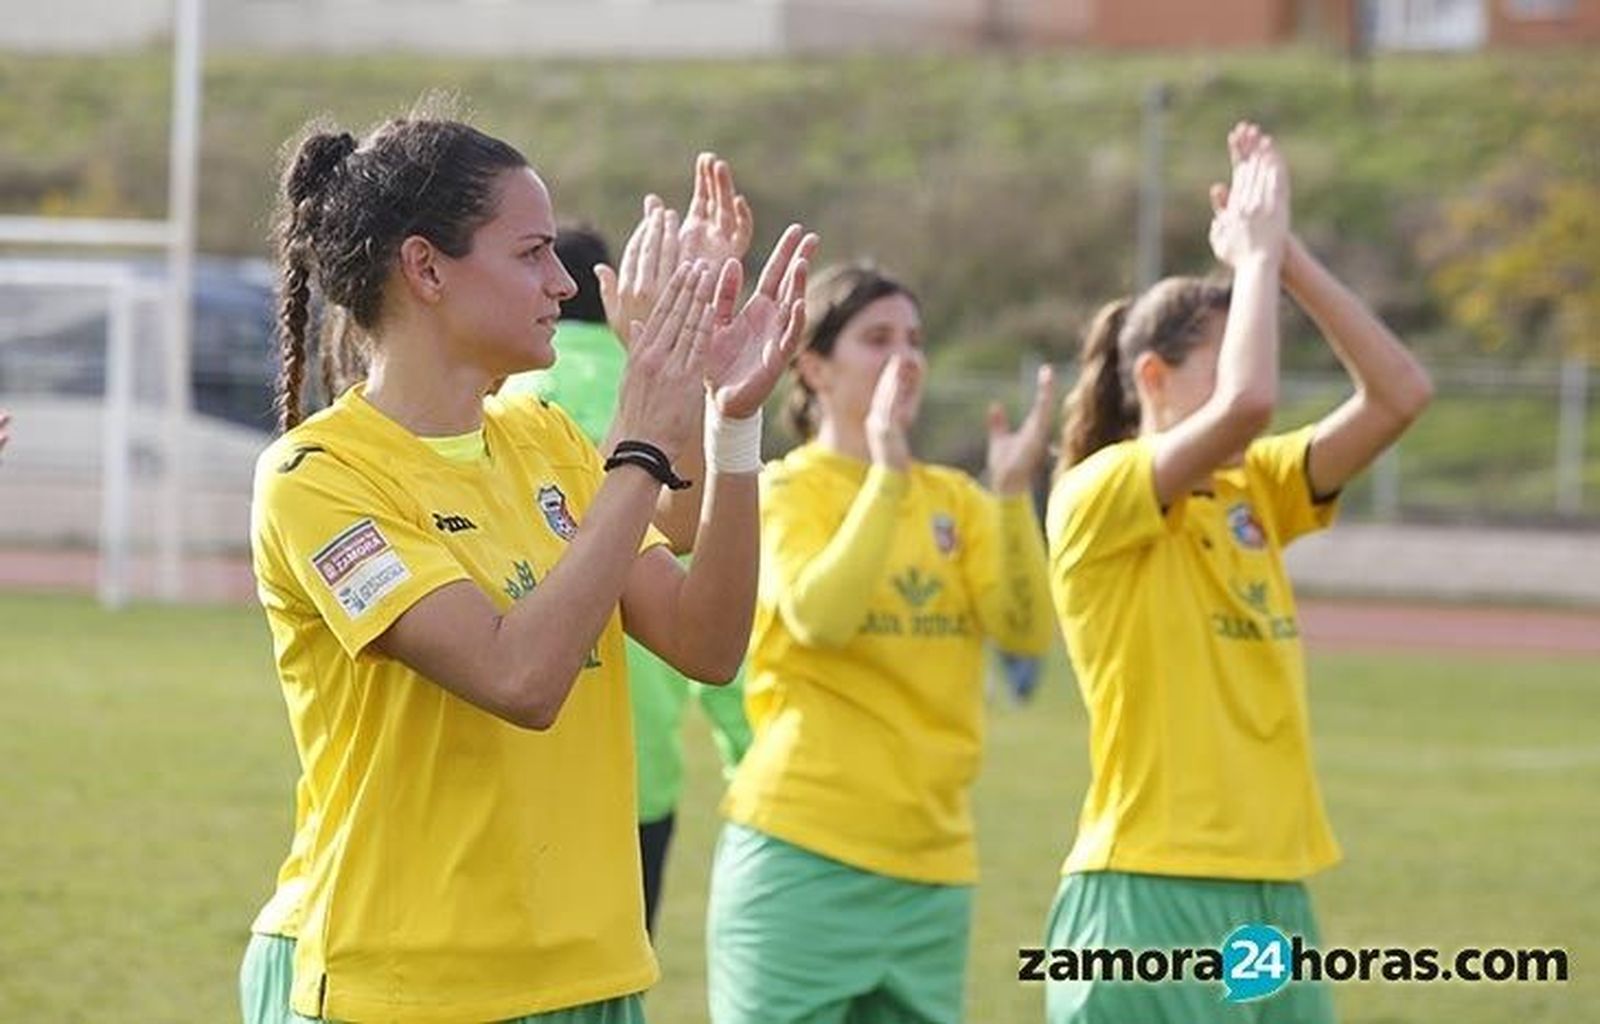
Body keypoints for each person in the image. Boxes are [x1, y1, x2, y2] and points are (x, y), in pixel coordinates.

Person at [240, 108, 814, 1024]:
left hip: (591, 976)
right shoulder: (319, 477)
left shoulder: (546, 439)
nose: (562, 282)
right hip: (415, 989)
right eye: (531, 252)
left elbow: (708, 644)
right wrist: (637, 446)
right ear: (425, 268)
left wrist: (728, 421)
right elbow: (519, 676)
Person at [1042, 123, 1433, 1023]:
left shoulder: (1255, 485)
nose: (1257, 369)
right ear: (1154, 376)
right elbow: (1248, 401)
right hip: (1150, 895)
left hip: (1272, 895)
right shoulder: (1096, 493)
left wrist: (1286, 257)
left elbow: (1400, 393)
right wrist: (1253, 258)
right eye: (1225, 348)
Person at [706, 262, 1058, 1024]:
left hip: (933, 869)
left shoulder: (957, 501)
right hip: (804, 854)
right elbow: (819, 617)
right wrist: (887, 475)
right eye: (877, 339)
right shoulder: (785, 491)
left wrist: (1010, 495)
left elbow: (1025, 631)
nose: (906, 358)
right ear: (813, 367)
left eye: (915, 340)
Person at [501, 154, 764, 938]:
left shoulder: (521, 399)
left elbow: (666, 542)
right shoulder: (628, 379)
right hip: (639, 761)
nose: (548, 281)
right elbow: (681, 533)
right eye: (527, 255)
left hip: (525, 771)